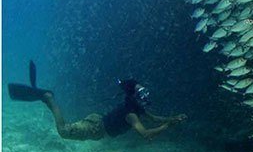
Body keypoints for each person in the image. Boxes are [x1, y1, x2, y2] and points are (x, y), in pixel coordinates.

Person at [8, 61, 187, 141]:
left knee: (67, 131)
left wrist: (173, 119)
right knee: (64, 132)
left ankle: (48, 99)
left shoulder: (137, 107)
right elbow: (145, 133)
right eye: (141, 93)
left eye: (144, 92)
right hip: (96, 128)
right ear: (133, 96)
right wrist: (167, 126)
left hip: (98, 123)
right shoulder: (132, 114)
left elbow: (154, 118)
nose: (145, 96)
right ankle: (49, 99)